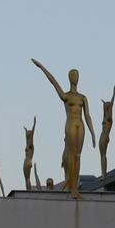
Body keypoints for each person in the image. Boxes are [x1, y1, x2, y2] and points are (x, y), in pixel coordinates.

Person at [30, 60, 95, 198]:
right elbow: (53, 81)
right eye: (73, 76)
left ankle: (75, 186)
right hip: (71, 125)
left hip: (81, 125)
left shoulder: (83, 98)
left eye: (76, 76)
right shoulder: (66, 96)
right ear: (70, 78)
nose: (75, 78)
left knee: (78, 156)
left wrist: (93, 133)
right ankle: (71, 188)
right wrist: (42, 67)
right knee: (71, 155)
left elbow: (88, 116)